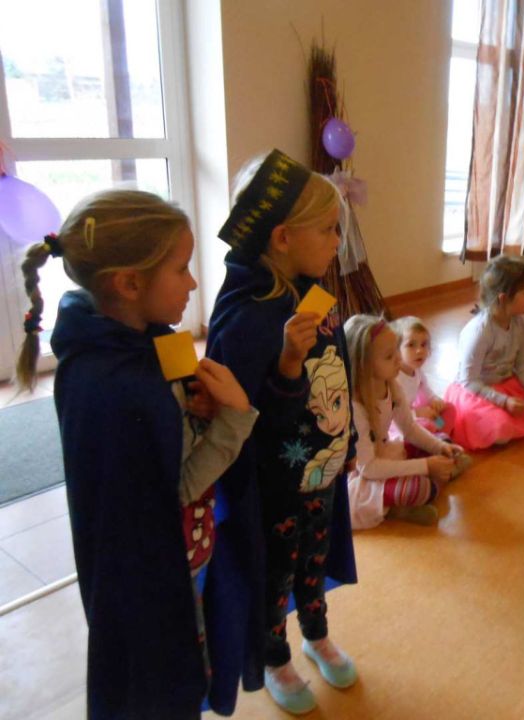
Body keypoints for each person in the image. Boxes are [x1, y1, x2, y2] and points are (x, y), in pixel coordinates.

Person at [18, 190, 255, 720]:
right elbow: (174, 489)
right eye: (181, 268)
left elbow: (163, 445)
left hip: (177, 559)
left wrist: (194, 415)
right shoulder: (116, 389)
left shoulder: (140, 340)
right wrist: (234, 420)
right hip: (152, 581)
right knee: (159, 686)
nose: (193, 283)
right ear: (128, 284)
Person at [204, 150, 358, 715]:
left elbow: (337, 370)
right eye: (329, 229)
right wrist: (289, 363)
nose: (339, 240)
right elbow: (242, 419)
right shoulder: (246, 317)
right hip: (273, 489)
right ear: (283, 237)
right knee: (274, 576)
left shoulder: (315, 295)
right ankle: (275, 657)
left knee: (314, 563)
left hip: (319, 474)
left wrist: (347, 443)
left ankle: (317, 634)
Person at [345, 315, 469, 528]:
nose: (398, 359)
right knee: (420, 488)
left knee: (443, 440)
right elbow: (368, 468)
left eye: (396, 350)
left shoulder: (392, 385)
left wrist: (439, 447)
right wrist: (426, 466)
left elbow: (410, 428)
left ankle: (442, 469)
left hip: (387, 454)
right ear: (363, 364)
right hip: (365, 475)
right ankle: (398, 507)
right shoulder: (355, 406)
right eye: (389, 356)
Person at [444, 255, 524, 450]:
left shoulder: (522, 323)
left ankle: (510, 422)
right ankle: (502, 424)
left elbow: (523, 365)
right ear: (503, 298)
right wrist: (504, 401)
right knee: (500, 429)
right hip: (476, 392)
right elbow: (469, 381)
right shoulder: (479, 331)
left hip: (507, 383)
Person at [390, 315, 457, 437]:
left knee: (449, 409)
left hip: (414, 413)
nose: (419, 350)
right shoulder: (394, 379)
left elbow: (426, 390)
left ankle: (440, 436)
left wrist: (435, 400)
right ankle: (432, 438)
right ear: (397, 350)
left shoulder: (417, 371)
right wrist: (416, 413)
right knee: (425, 425)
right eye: (411, 345)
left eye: (424, 344)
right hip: (397, 424)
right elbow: (391, 415)